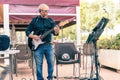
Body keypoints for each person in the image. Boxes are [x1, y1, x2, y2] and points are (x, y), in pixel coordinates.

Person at [25, 4, 60, 80]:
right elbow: (27, 31)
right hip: (38, 46)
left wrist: (57, 31)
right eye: (43, 11)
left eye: (47, 11)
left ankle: (50, 78)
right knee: (38, 64)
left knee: (51, 63)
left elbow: (55, 33)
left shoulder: (51, 21)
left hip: (48, 45)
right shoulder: (35, 20)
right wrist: (33, 36)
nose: (45, 13)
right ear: (39, 11)